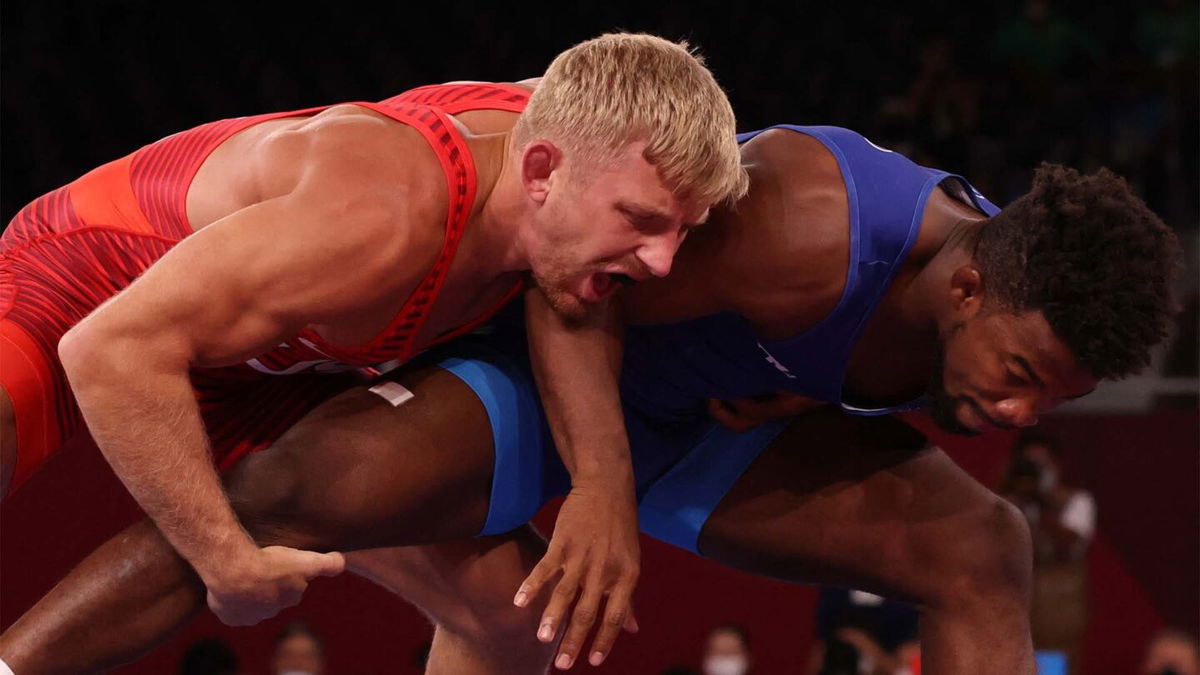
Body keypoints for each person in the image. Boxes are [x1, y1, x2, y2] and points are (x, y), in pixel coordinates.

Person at [0, 128, 1180, 674]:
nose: (1021, 416)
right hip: (556, 377)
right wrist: (601, 489)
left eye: (1052, 401)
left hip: (702, 423)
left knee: (986, 544)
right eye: (1020, 378)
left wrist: (790, 403)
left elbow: (845, 375)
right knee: (285, 495)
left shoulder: (989, 299)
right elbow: (576, 293)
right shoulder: (806, 224)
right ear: (965, 283)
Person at [0, 31, 744, 635]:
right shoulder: (381, 214)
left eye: (682, 230)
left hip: (278, 368)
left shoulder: (575, 151)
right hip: (90, 285)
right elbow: (109, 349)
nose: (663, 261)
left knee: (512, 611)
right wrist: (223, 556)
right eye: (644, 224)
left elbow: (573, 301)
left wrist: (602, 481)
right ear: (541, 171)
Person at [999, 433, 1096, 673]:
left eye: (1042, 464)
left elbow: (1070, 544)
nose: (1036, 472)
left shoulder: (1076, 500)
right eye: (1029, 464)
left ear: (1056, 465)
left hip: (1059, 609)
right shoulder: (1005, 501)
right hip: (1014, 607)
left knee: (1053, 669)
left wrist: (1043, 503)